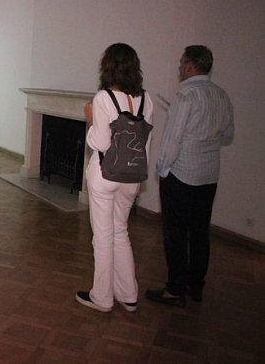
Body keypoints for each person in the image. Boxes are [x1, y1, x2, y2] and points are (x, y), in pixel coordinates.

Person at [146, 45, 234, 307]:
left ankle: (175, 290)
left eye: (181, 62)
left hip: (181, 174)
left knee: (175, 234)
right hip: (209, 175)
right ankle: (196, 286)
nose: (179, 67)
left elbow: (172, 140)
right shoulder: (221, 95)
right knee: (199, 232)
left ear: (190, 65)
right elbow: (227, 133)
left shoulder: (185, 95)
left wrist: (162, 169)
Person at [76, 43, 154, 312]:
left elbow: (99, 142)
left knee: (103, 236)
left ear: (107, 66)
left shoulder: (103, 98)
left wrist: (90, 120)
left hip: (105, 175)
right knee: (121, 231)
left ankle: (102, 297)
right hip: (132, 177)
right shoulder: (146, 99)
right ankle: (128, 294)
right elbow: (145, 144)